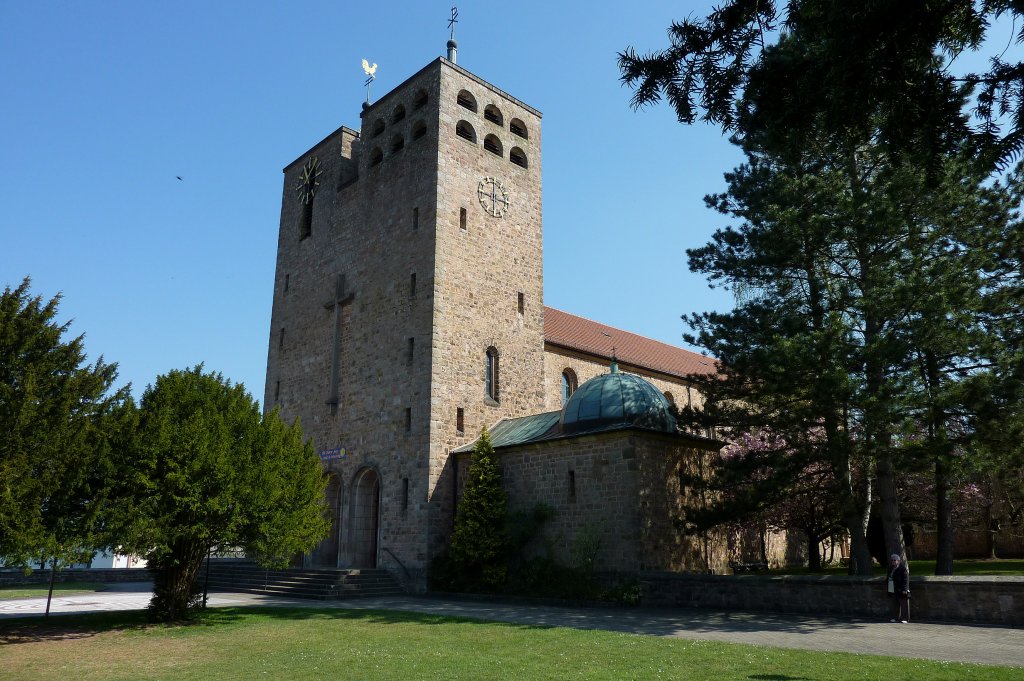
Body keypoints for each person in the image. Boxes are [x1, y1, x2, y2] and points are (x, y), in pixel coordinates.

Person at [886, 553, 910, 623]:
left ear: (898, 561)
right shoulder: (890, 568)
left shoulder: (902, 569)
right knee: (895, 604)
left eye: (894, 560)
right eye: (892, 560)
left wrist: (905, 589)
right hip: (893, 589)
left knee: (904, 605)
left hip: (901, 589)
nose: (893, 561)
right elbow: (888, 577)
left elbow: (906, 580)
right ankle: (896, 617)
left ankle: (905, 619)